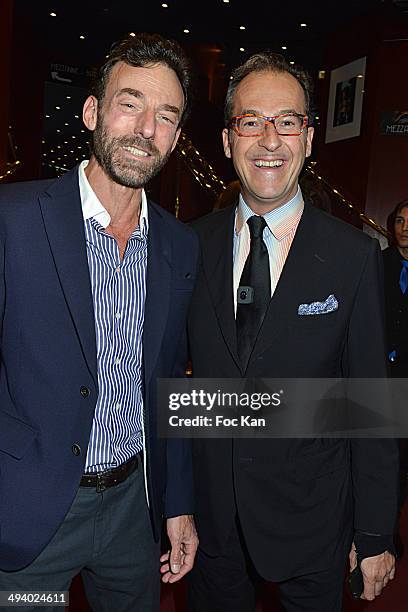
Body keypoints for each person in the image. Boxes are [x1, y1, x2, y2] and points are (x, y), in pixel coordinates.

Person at [187, 52, 398, 611]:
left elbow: (369, 401)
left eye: (286, 121)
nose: (269, 139)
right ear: (229, 140)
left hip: (315, 523)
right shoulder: (188, 246)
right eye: (251, 121)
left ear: (308, 137)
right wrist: (175, 502)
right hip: (213, 529)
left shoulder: (353, 256)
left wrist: (375, 534)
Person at [0, 32, 198, 611]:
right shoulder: (13, 221)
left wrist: (178, 503)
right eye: (129, 103)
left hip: (133, 513)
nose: (145, 129)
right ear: (92, 112)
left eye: (166, 116)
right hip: (29, 511)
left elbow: (170, 387)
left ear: (177, 136)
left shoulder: (180, 247)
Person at [383, 198, 408, 559]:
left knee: (402, 463)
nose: (405, 226)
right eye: (400, 220)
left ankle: (390, 525)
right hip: (379, 382)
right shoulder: (376, 263)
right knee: (379, 458)